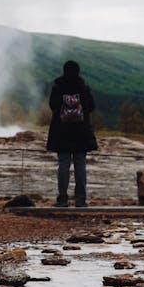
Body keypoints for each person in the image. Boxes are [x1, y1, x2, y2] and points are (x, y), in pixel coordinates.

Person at [46, 59, 98, 208]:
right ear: (78, 71)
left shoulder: (58, 87)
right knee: (80, 165)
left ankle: (62, 199)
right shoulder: (83, 87)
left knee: (63, 165)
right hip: (81, 132)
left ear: (64, 70)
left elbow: (52, 105)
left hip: (61, 132)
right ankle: (80, 199)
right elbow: (92, 107)